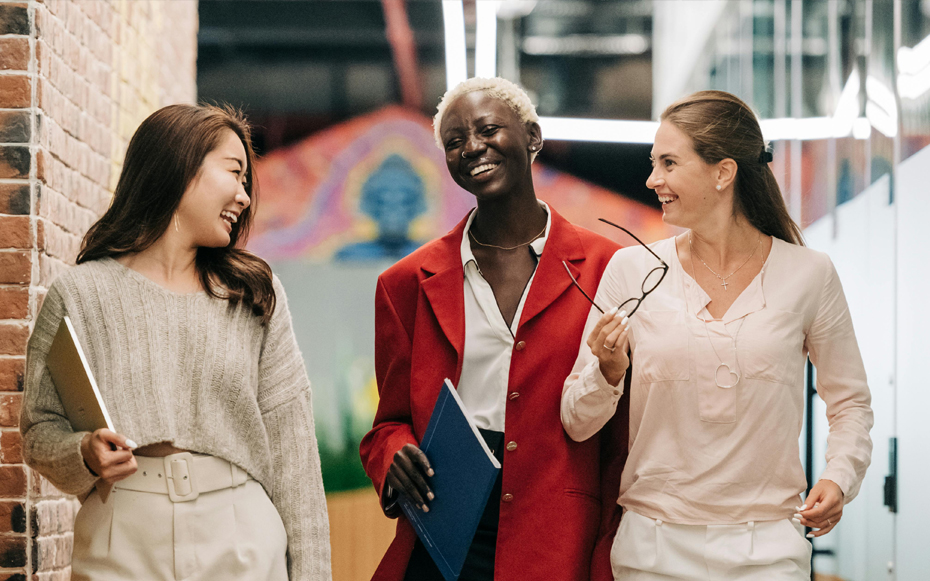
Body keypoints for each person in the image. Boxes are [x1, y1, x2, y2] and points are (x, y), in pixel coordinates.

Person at [561, 90, 873, 580]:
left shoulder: (809, 274)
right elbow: (576, 420)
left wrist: (840, 477)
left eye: (668, 162)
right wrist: (607, 370)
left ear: (722, 172)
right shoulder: (632, 269)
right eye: (652, 162)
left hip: (769, 551)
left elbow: (850, 403)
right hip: (651, 550)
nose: (651, 179)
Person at [21, 104, 332, 581]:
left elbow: (296, 460)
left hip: (241, 535)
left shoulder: (252, 294)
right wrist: (83, 451)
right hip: (120, 535)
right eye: (235, 173)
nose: (245, 197)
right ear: (180, 165)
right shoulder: (81, 294)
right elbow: (39, 431)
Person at [359, 77, 627, 581]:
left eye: (487, 129)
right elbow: (387, 424)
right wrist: (393, 454)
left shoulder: (608, 267)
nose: (472, 148)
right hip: (445, 524)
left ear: (532, 136)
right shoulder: (406, 283)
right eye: (455, 142)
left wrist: (608, 550)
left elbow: (620, 439)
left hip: (557, 532)